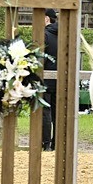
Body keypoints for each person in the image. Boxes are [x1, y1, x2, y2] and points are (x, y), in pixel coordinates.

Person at [41, 8, 59, 150]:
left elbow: (40, 58)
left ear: (47, 19)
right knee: (57, 112)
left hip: (46, 78)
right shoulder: (65, 34)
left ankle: (45, 143)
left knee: (45, 111)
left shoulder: (44, 35)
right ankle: (56, 143)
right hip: (61, 79)